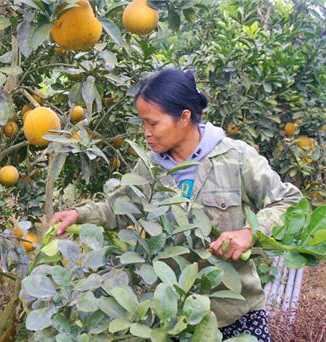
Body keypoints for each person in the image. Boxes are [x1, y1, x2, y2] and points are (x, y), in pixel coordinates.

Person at [49, 68, 303, 341]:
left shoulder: (235, 157)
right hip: (173, 320)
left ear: (184, 117)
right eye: (143, 123)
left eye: (153, 123)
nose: (146, 133)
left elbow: (290, 202)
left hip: (236, 313)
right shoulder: (149, 168)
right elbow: (117, 209)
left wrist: (251, 232)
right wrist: (79, 214)